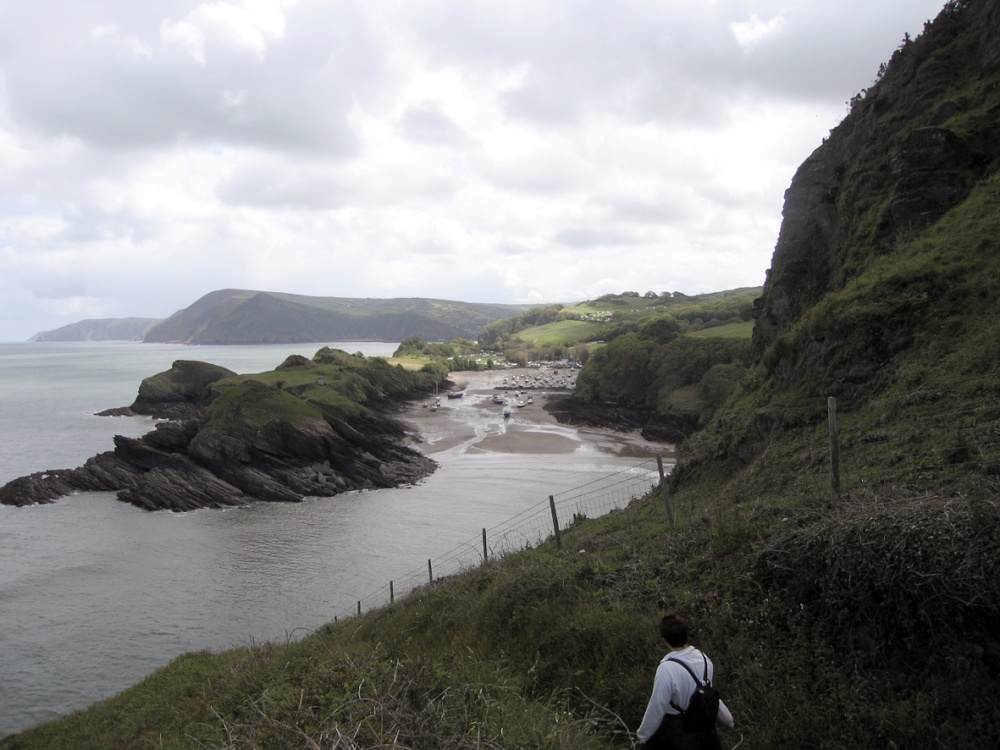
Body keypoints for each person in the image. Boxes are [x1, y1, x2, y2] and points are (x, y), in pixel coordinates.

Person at [636, 613, 734, 750]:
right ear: (686, 634)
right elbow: (706, 691)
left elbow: (657, 706)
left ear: (664, 640)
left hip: (677, 733)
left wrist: (643, 735)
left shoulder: (666, 669)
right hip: (705, 734)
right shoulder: (704, 659)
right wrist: (728, 720)